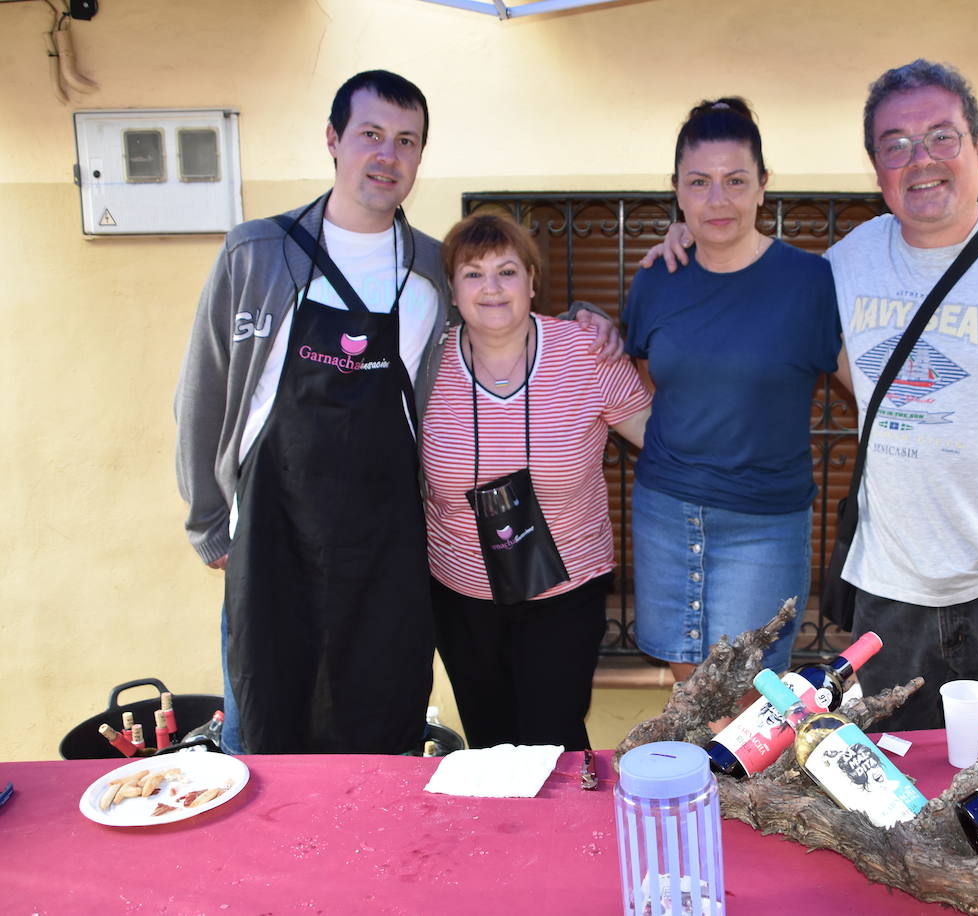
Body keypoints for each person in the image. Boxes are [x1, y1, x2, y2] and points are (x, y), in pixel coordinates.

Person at [646, 62, 978, 732]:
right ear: (876, 167)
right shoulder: (844, 264)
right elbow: (747, 283)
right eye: (896, 145)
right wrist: (689, 235)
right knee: (898, 799)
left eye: (942, 138)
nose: (920, 160)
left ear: (977, 148)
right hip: (888, 595)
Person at [174, 71, 618, 754]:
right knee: (265, 734)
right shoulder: (257, 254)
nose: (388, 155)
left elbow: (503, 318)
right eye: (371, 135)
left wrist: (590, 323)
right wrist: (209, 522)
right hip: (270, 541)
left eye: (406, 141)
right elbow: (203, 393)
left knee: (382, 740)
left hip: (388, 550)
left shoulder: (433, 273)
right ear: (333, 140)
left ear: (419, 157)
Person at [623, 99, 844, 684]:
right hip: (666, 510)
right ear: (676, 190)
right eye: (699, 182)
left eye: (735, 181)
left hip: (764, 522)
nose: (717, 200)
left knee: (749, 692)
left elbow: (870, 386)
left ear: (763, 187)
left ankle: (745, 783)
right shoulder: (655, 278)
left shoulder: (810, 281)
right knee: (689, 691)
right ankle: (695, 782)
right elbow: (651, 386)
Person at [423, 212, 652, 751]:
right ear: (452, 292)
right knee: (489, 741)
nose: (492, 288)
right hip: (461, 594)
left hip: (567, 588)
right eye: (473, 274)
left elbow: (658, 439)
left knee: (554, 742)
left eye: (507, 271)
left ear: (532, 279)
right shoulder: (425, 363)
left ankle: (561, 838)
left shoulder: (585, 351)